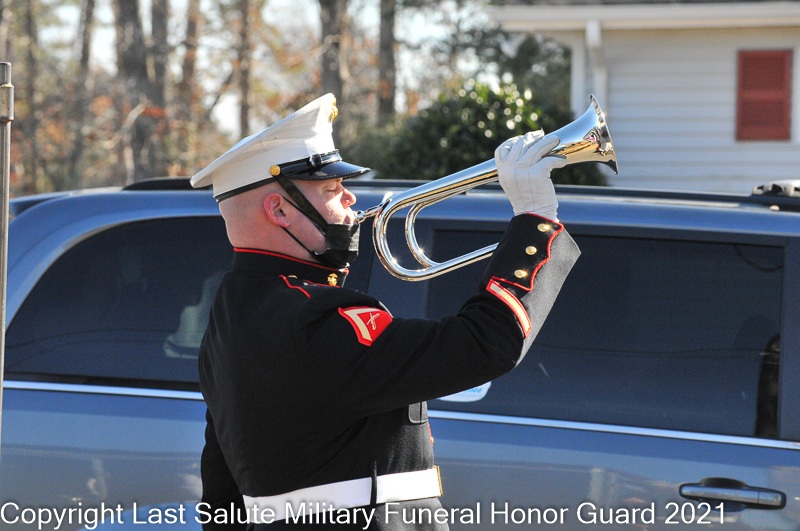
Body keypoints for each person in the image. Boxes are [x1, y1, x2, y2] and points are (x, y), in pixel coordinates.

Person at [190, 93, 580, 530]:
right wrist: (536, 220)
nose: (350, 198)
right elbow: (487, 344)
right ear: (279, 209)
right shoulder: (316, 318)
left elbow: (221, 497)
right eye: (331, 190)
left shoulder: (229, 320)